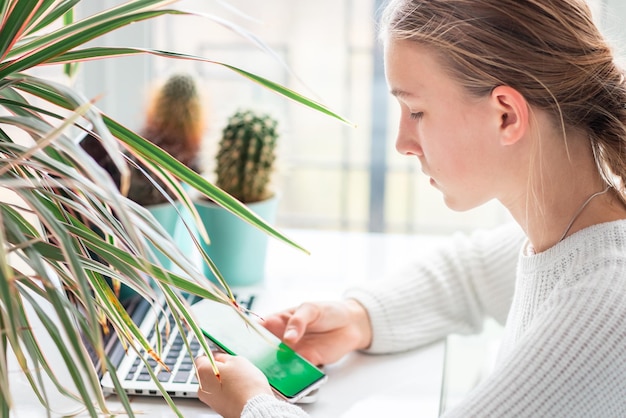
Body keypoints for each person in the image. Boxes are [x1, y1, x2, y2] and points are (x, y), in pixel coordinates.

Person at [194, 0, 626, 416]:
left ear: (506, 116)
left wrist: (253, 405)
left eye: (416, 111)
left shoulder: (603, 309)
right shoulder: (573, 231)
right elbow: (468, 278)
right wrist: (358, 319)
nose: (402, 143)